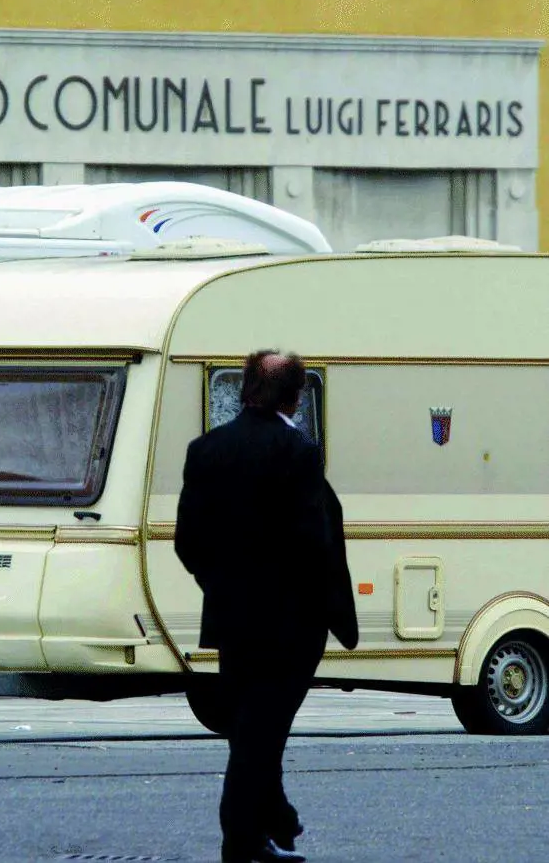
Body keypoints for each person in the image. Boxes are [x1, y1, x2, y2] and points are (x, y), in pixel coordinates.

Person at [175, 350, 358, 863]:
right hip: (289, 624)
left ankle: (270, 823)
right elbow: (313, 543)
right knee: (261, 733)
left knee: (253, 728)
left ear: (246, 389)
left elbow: (188, 541)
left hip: (232, 620)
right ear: (295, 397)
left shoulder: (206, 450)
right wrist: (319, 610)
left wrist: (221, 585)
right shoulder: (299, 452)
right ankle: (244, 839)